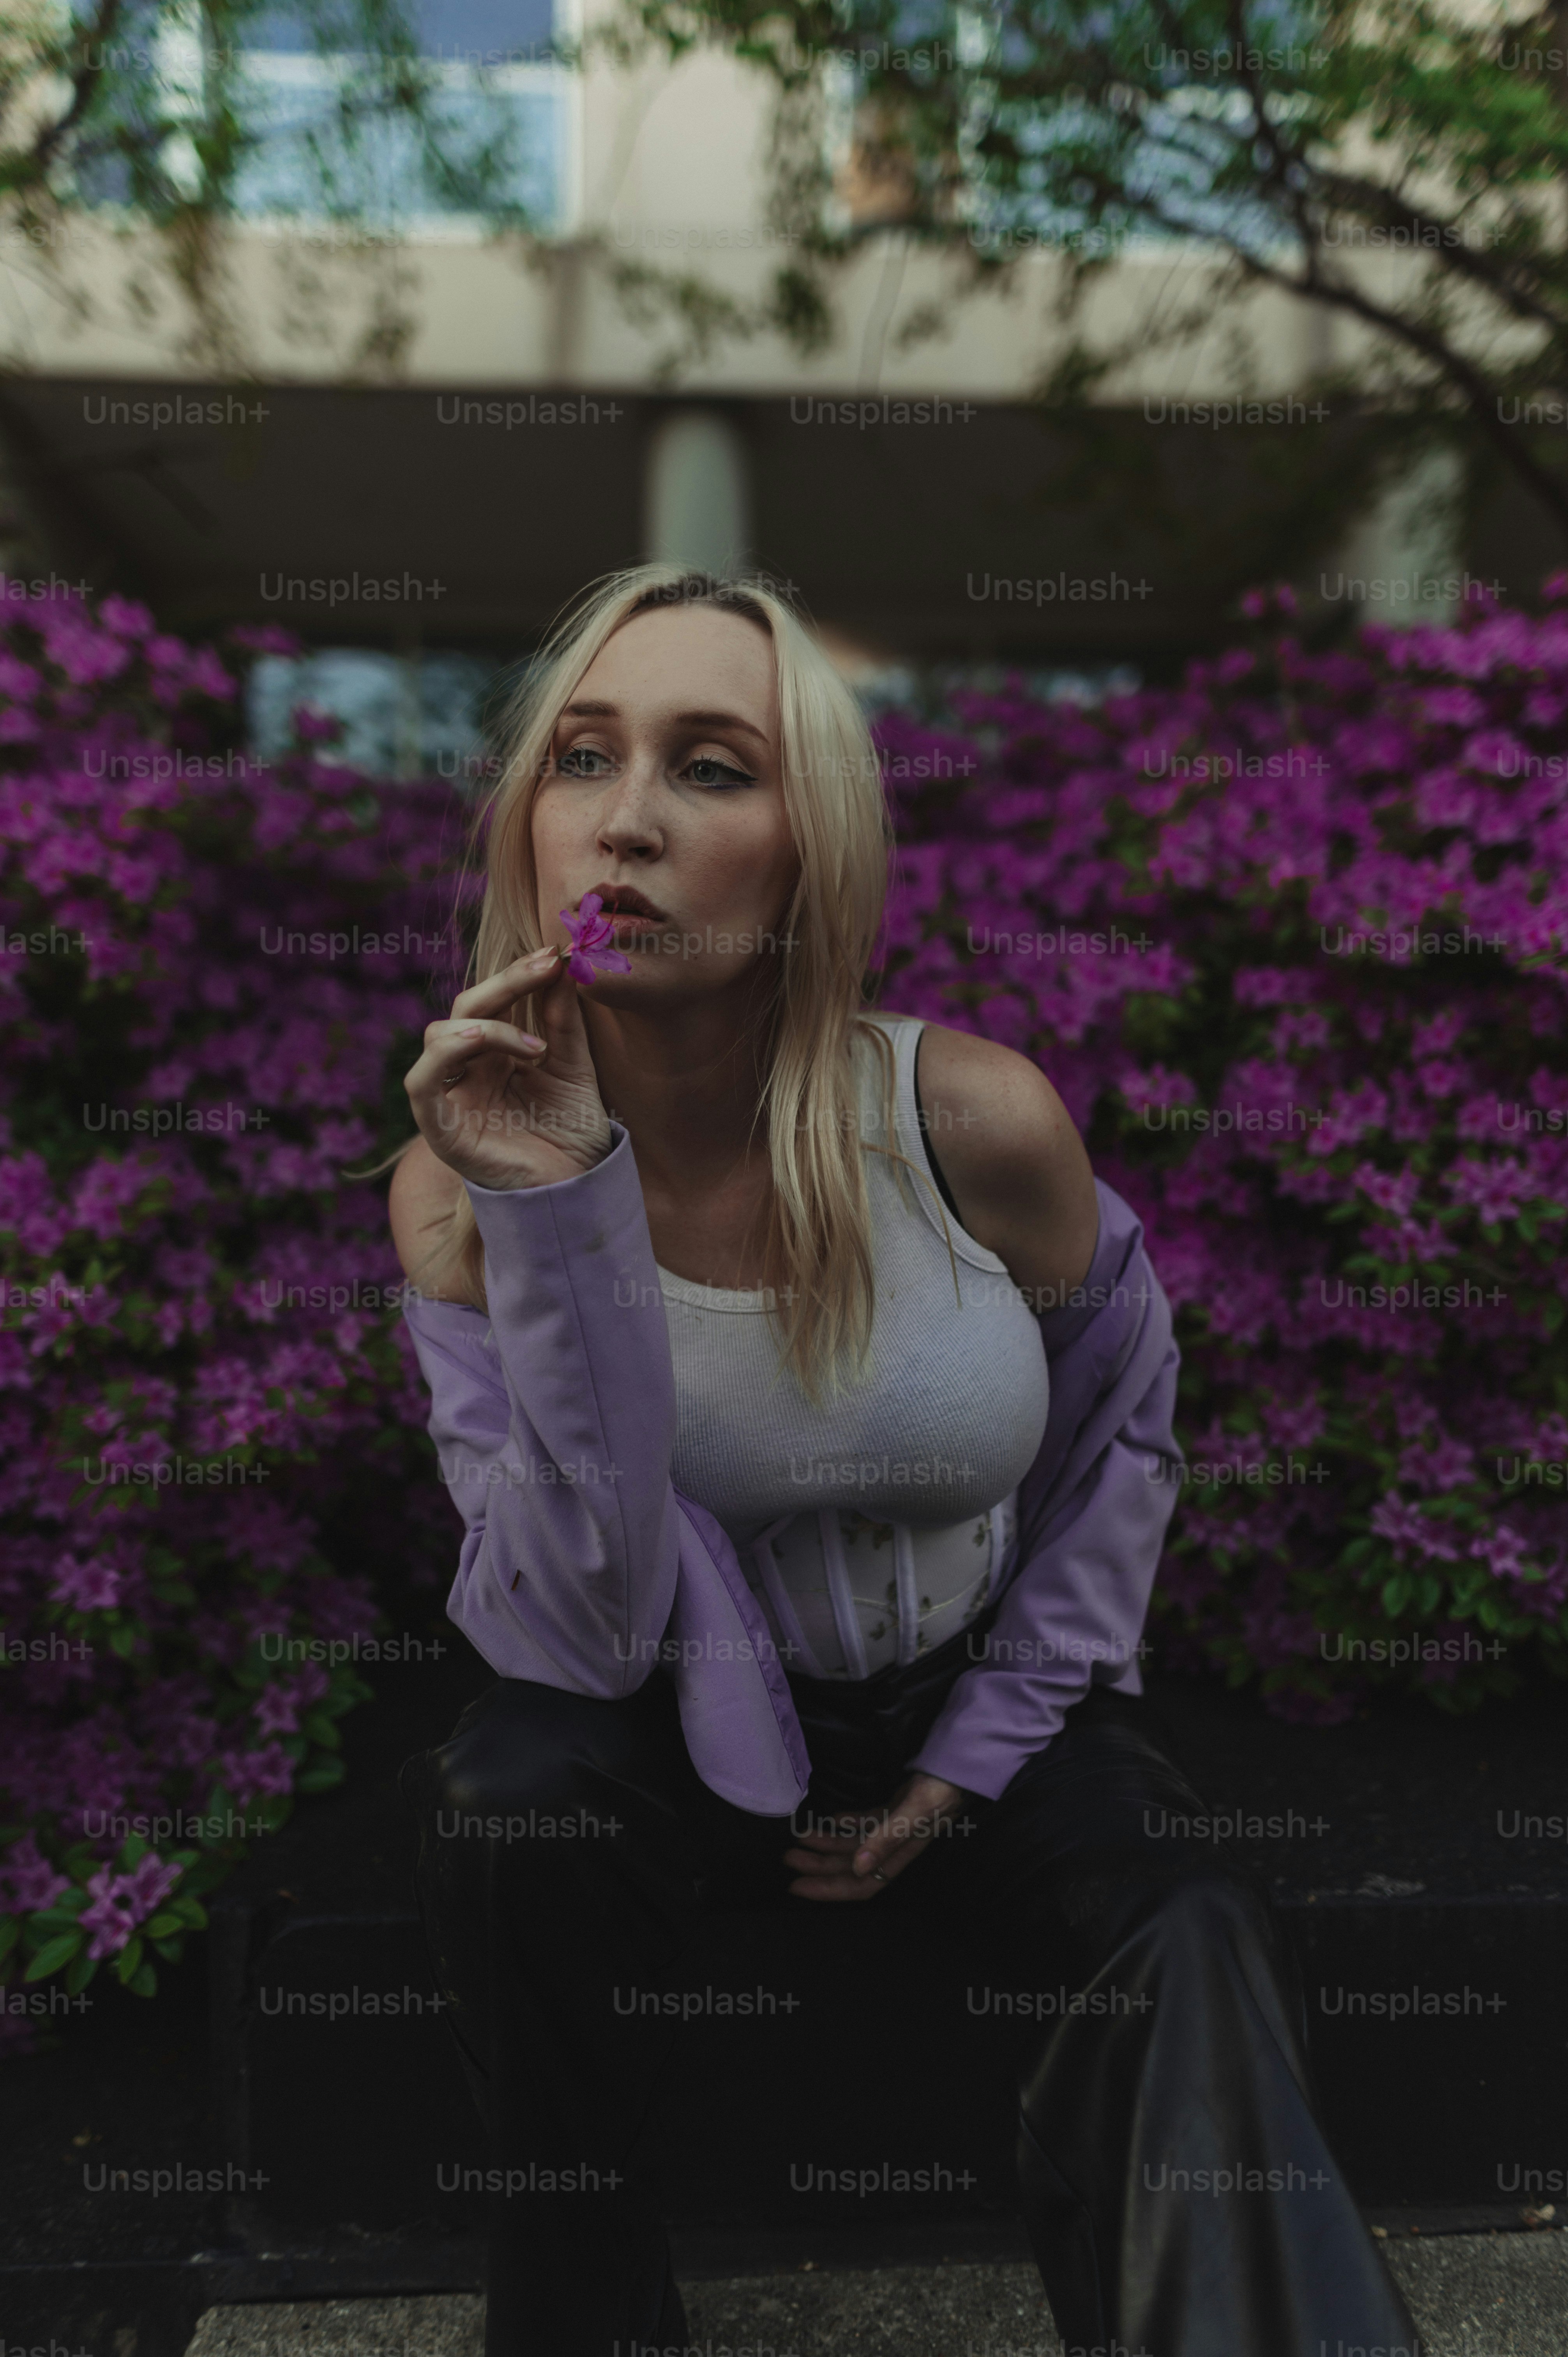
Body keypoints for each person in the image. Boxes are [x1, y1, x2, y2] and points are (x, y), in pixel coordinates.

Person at [390, 565, 1421, 2357]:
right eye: (581, 758)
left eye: (713, 767)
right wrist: (557, 1214)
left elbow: (1120, 1442)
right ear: (529, 820)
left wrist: (974, 1755)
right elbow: (574, 1630)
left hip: (973, 1692)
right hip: (668, 1728)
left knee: (1186, 1917)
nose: (625, 821)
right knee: (510, 1799)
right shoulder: (458, 1192)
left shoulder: (973, 1124)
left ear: (813, 849)